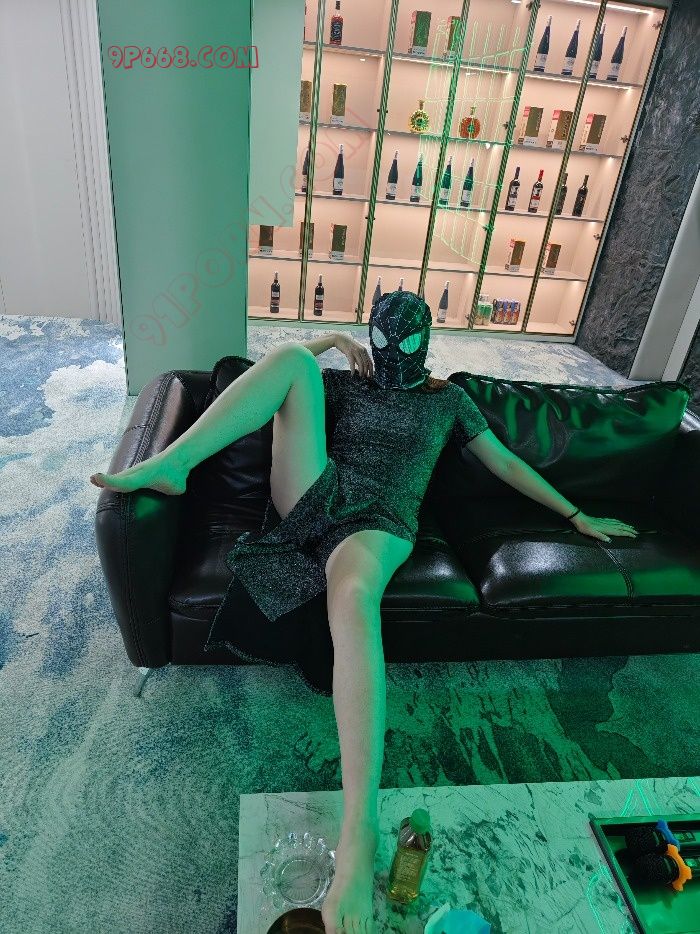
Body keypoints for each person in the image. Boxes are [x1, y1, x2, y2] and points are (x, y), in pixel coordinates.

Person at [90, 290, 638, 934]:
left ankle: (360, 829)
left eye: (408, 339)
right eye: (385, 338)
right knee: (293, 360)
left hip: (380, 521)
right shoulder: (349, 383)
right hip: (319, 491)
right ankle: (172, 463)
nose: (395, 350)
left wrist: (575, 514)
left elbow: (507, 463)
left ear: (427, 339)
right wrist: (325, 342)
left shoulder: (449, 402)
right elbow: (272, 383)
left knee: (351, 595)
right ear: (371, 338)